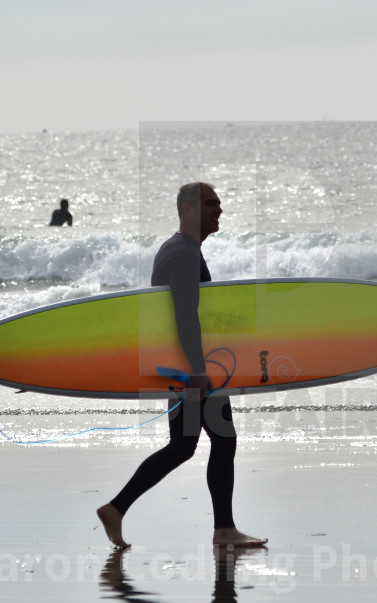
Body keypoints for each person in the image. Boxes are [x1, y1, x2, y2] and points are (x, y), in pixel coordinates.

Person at [96, 182, 266, 549]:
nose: (218, 210)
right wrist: (199, 369)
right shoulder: (184, 253)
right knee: (223, 440)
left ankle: (115, 509)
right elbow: (185, 316)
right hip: (192, 367)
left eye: (219, 203)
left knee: (183, 445)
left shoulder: (180, 250)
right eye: (210, 204)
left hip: (180, 367)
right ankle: (224, 530)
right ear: (187, 209)